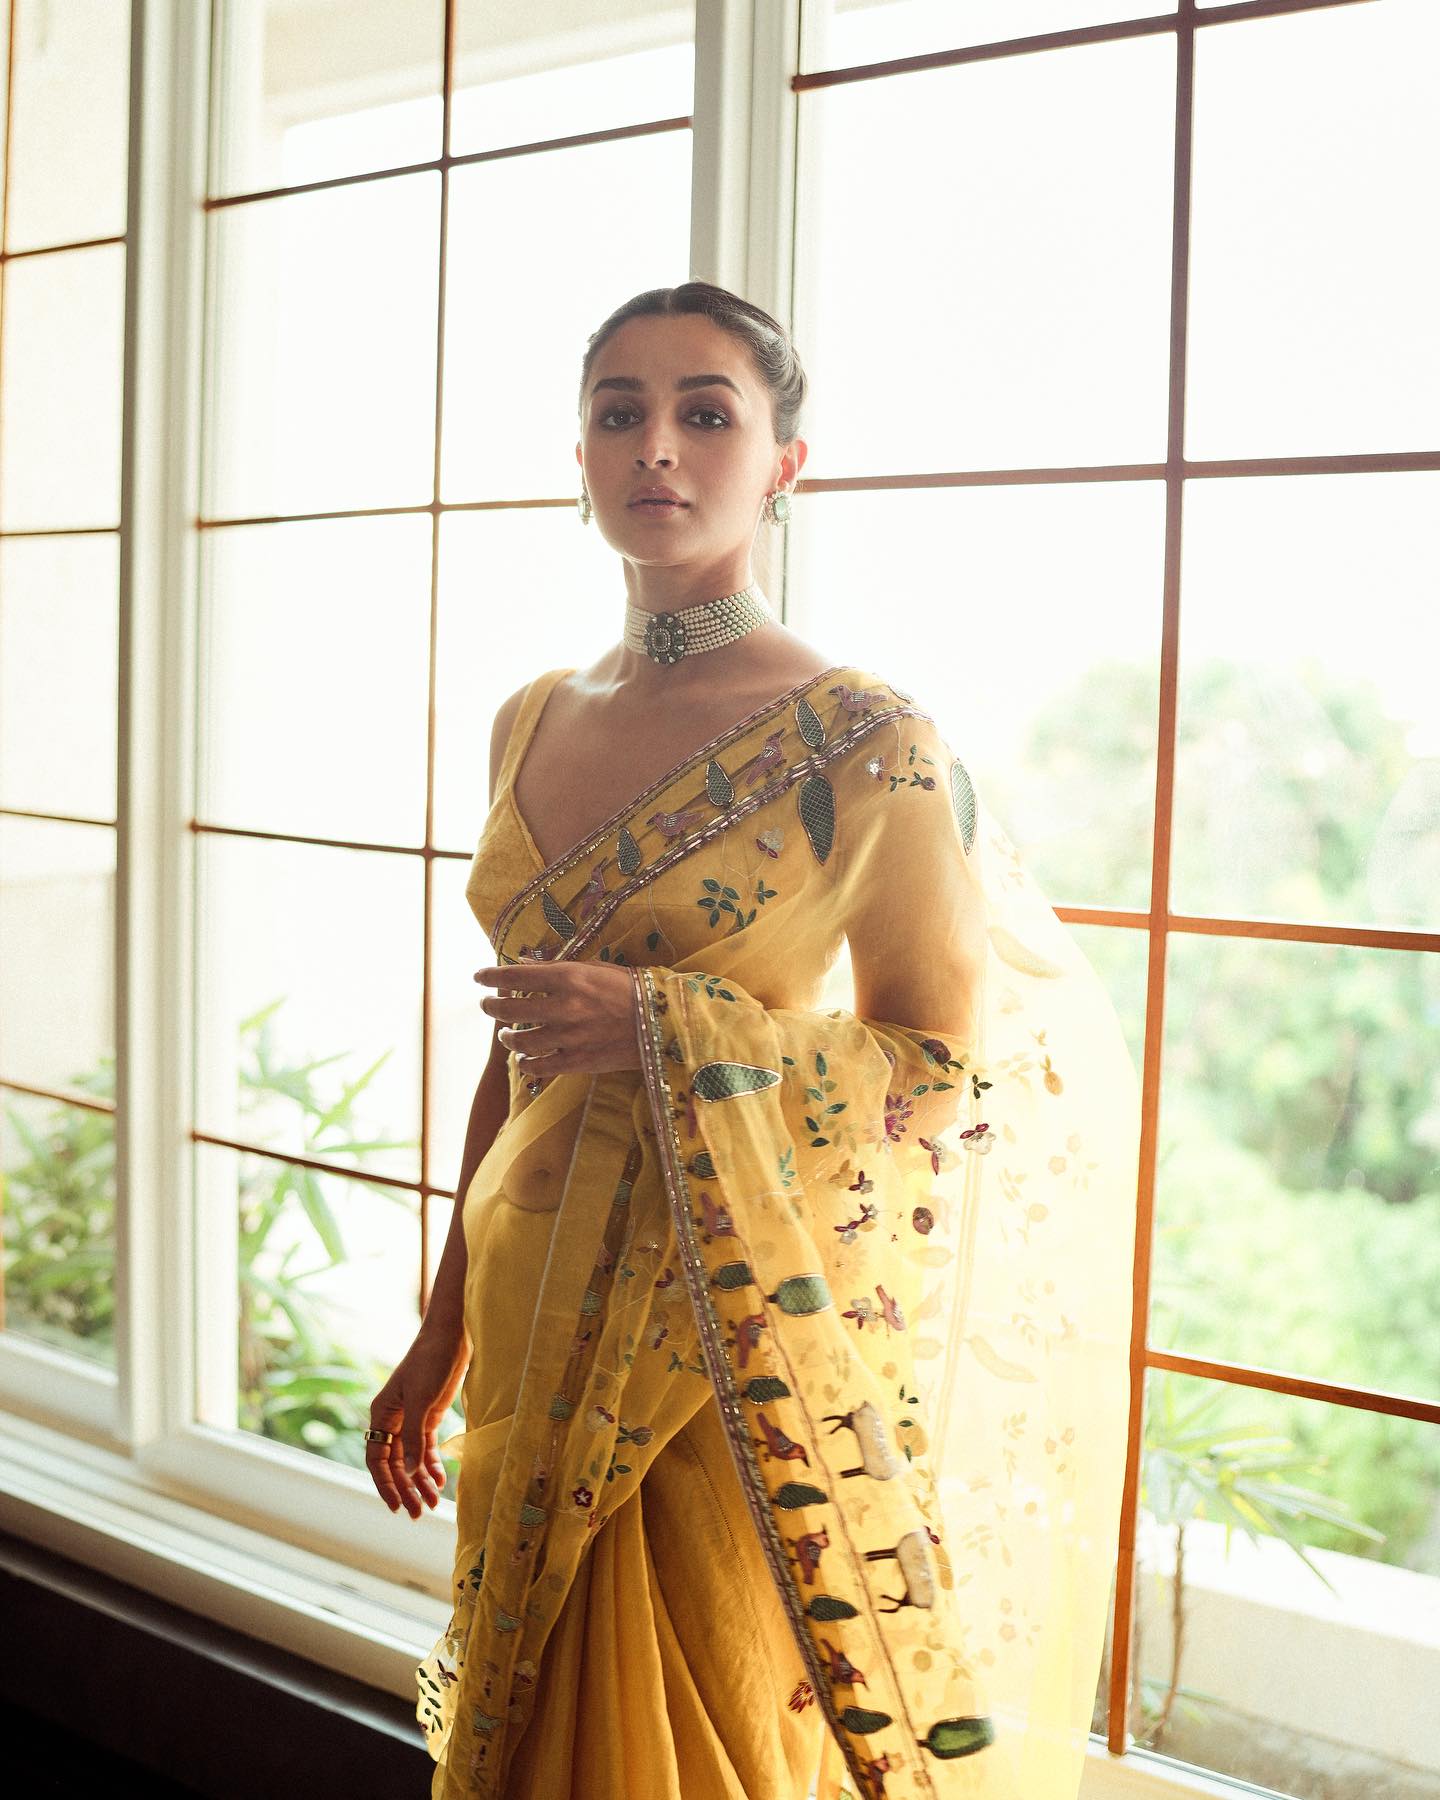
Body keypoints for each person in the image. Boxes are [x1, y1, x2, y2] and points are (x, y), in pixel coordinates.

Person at [370, 282, 1140, 1800]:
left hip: (715, 1344)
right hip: (532, 1308)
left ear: (785, 463)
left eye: (706, 414)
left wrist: (661, 1021)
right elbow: (522, 1050)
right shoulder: (530, 718)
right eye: (620, 412)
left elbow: (939, 1073)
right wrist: (443, 1323)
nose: (657, 446)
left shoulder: (864, 740)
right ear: (579, 456)